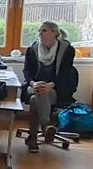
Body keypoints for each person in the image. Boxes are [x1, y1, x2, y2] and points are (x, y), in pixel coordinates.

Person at [21, 22, 78, 153]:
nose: (40, 33)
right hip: (33, 86)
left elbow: (65, 74)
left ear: (55, 33)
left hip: (56, 88)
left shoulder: (67, 50)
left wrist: (50, 85)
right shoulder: (32, 49)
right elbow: (27, 72)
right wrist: (33, 83)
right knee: (37, 93)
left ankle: (33, 137)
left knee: (36, 99)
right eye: (40, 30)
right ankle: (46, 125)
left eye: (44, 30)